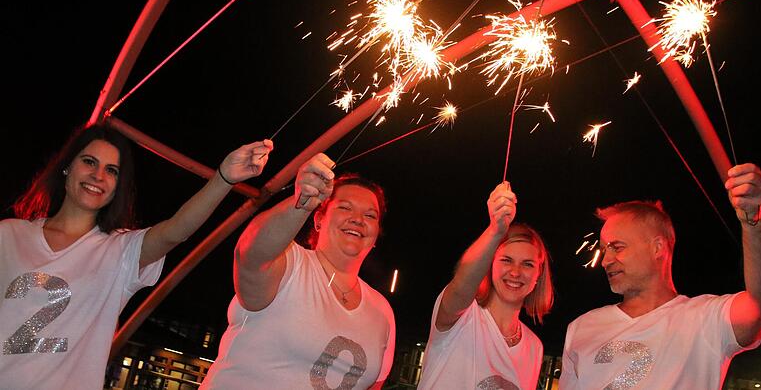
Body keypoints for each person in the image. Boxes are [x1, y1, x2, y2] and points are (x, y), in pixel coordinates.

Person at [0, 123, 273, 390]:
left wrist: (223, 178)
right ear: (67, 166)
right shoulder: (9, 235)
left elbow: (175, 231)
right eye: (89, 162)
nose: (98, 175)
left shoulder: (120, 251)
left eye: (111, 171)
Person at [559, 163, 761, 389]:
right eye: (604, 250)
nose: (606, 260)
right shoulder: (581, 327)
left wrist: (753, 221)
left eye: (617, 247)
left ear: (657, 248)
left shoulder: (705, 320)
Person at [201, 153, 395, 390]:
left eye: (370, 215)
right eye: (345, 208)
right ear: (319, 219)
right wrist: (302, 201)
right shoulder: (288, 263)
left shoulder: (382, 312)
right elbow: (250, 252)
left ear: (376, 234)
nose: (357, 220)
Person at [417, 182, 554, 390]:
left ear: (539, 274)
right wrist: (495, 231)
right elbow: (462, 282)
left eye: (527, 264)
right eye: (506, 260)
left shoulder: (534, 347)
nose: (515, 272)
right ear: (489, 265)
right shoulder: (461, 316)